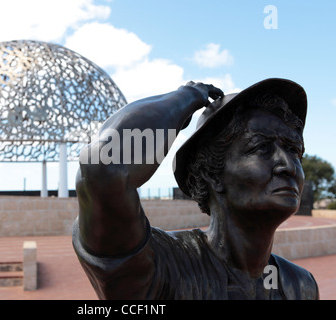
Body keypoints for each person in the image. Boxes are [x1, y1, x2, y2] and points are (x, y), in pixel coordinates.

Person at [72, 78, 319, 300]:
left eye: (294, 150)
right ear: (212, 174)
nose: (288, 166)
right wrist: (186, 97)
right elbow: (103, 164)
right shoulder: (164, 267)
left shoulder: (300, 286)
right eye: (261, 148)